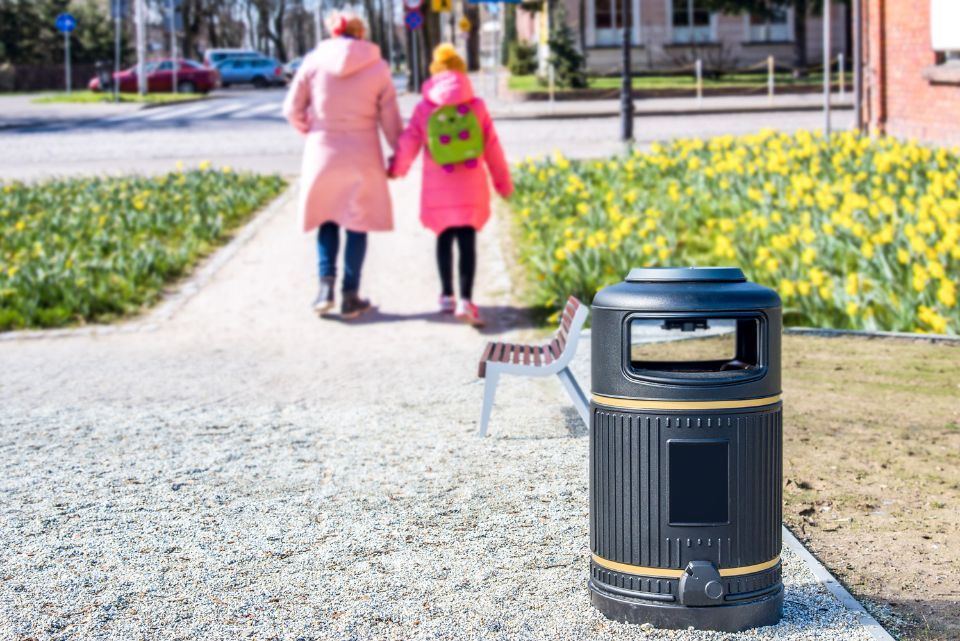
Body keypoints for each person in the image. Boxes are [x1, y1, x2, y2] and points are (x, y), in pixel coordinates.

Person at [283, 12, 402, 318]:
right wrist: (398, 154)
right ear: (362, 33)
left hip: (323, 150)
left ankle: (325, 290)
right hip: (363, 152)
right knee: (358, 222)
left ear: (332, 32)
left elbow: (292, 108)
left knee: (327, 218)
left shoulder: (312, 63)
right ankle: (351, 295)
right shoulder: (377, 67)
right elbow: (390, 118)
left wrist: (310, 128)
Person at [388, 44, 513, 327]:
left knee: (443, 237)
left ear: (435, 73)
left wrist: (396, 170)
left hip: (438, 188)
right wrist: (503, 184)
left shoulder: (424, 108)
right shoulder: (476, 106)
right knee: (467, 240)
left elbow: (409, 144)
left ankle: (446, 295)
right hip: (471, 185)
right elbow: (492, 147)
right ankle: (466, 300)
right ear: (461, 71)